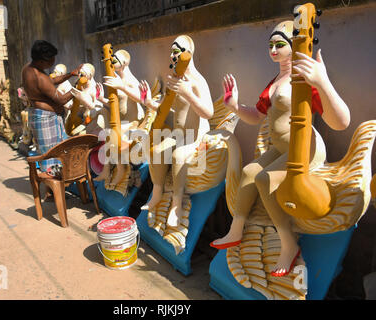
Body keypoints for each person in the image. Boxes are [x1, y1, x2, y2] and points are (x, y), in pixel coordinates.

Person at [211, 21, 350, 277]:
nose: (273, 50)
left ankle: (288, 244)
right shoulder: (276, 80)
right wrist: (234, 106)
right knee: (250, 171)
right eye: (271, 45)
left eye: (280, 45)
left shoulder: (303, 75)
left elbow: (341, 122)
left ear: (293, 45)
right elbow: (257, 116)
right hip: (279, 148)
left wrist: (322, 81)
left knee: (264, 179)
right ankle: (237, 228)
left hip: (304, 149)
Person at [139, 35, 214, 227]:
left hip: (196, 137)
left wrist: (188, 93)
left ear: (189, 53)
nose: (173, 55)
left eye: (178, 51)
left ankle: (176, 205)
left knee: (179, 155)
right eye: (172, 51)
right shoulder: (174, 78)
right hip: (179, 135)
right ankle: (156, 192)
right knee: (156, 150)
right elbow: (166, 106)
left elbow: (208, 112)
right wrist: (149, 103)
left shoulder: (197, 81)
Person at [22, 40, 92, 178]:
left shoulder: (29, 69)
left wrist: (71, 74)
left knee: (52, 154)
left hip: (41, 116)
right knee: (52, 156)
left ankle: (53, 188)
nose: (54, 63)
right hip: (46, 120)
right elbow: (61, 99)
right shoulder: (40, 77)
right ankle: (54, 189)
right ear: (42, 60)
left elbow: (51, 81)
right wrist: (76, 87)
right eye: (51, 60)